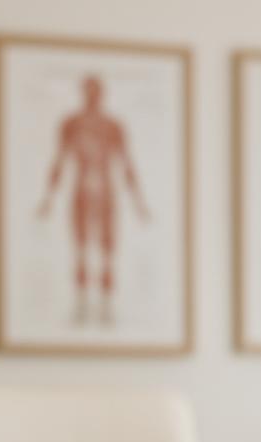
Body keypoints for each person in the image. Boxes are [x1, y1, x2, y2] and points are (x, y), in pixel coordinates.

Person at [37, 75, 149, 324]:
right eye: (89, 91)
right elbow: (60, 161)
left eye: (96, 91)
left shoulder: (113, 126)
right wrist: (48, 199)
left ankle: (107, 307)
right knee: (80, 249)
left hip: (107, 191)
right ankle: (81, 305)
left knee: (108, 251)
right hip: (81, 189)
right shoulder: (71, 124)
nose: (93, 96)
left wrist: (139, 203)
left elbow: (126, 163)